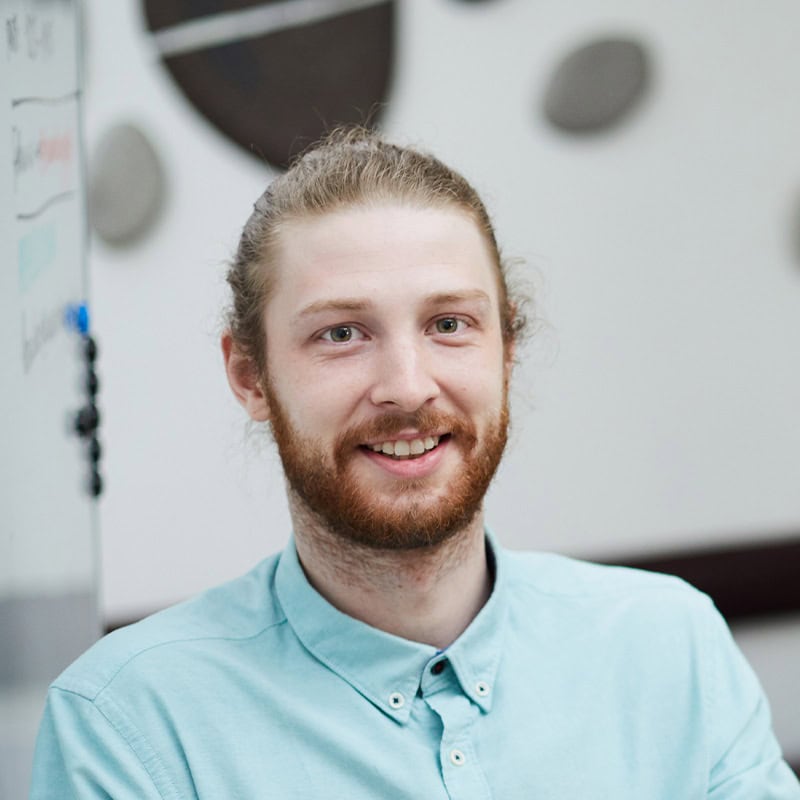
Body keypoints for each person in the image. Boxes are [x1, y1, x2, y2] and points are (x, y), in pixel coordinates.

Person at [30, 128, 799, 799]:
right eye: (341, 334)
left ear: (507, 350)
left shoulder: (670, 647)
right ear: (250, 376)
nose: (407, 387)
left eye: (449, 324)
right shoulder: (130, 721)